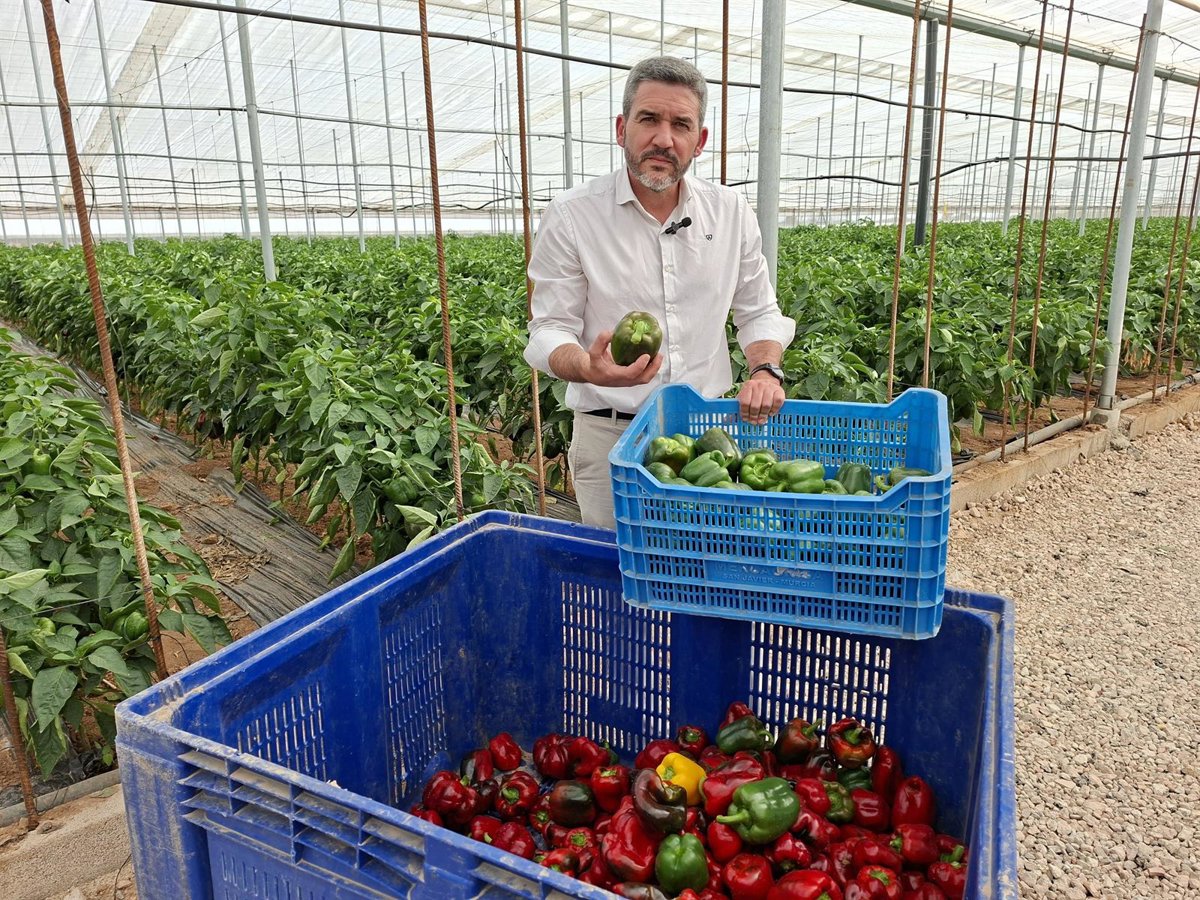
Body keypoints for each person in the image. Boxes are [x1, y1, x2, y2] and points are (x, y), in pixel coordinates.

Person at [523, 56, 796, 528]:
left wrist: (766, 370)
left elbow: (758, 311)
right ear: (621, 128)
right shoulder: (572, 216)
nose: (663, 139)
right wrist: (587, 366)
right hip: (611, 434)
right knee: (615, 580)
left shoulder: (730, 213)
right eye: (648, 119)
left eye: (681, 125)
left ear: (700, 141)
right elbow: (549, 328)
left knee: (707, 573)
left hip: (709, 437)